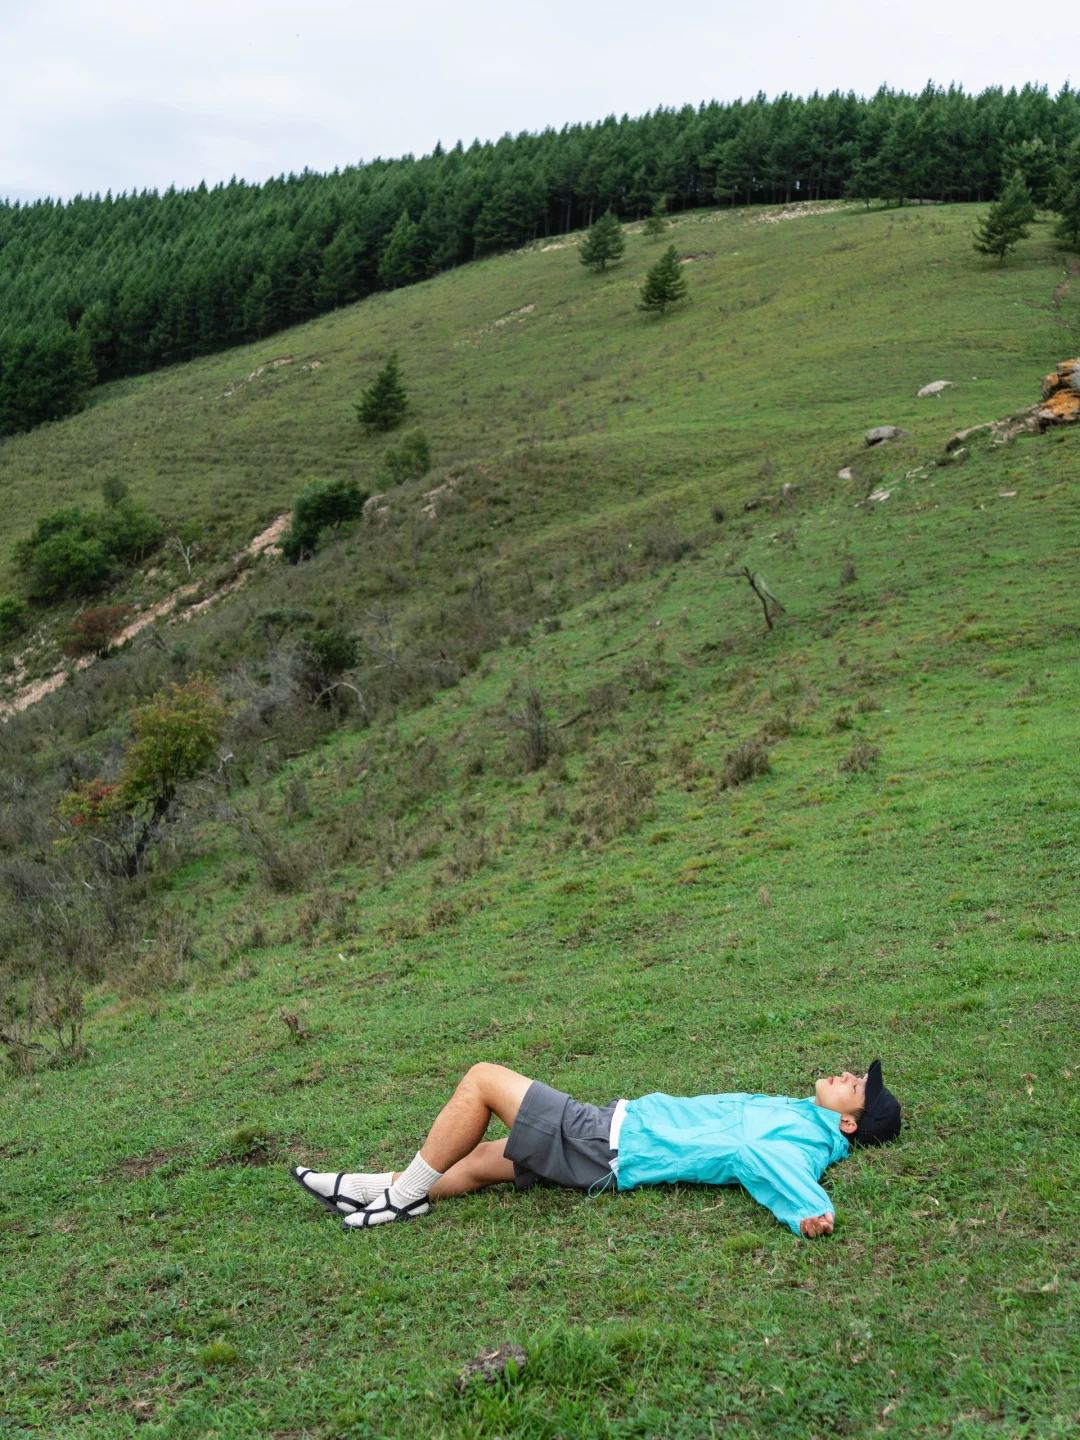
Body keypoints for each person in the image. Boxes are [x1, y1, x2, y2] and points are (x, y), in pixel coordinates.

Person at [291, 1059, 901, 1238]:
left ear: (849, 1125)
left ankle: (397, 1201)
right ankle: (367, 1188)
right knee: (478, 1163)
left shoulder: (800, 1142)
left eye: (857, 1088)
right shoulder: (799, 1115)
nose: (848, 1076)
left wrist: (807, 1211)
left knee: (481, 1079)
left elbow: (763, 1160)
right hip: (610, 1138)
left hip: (605, 1142)